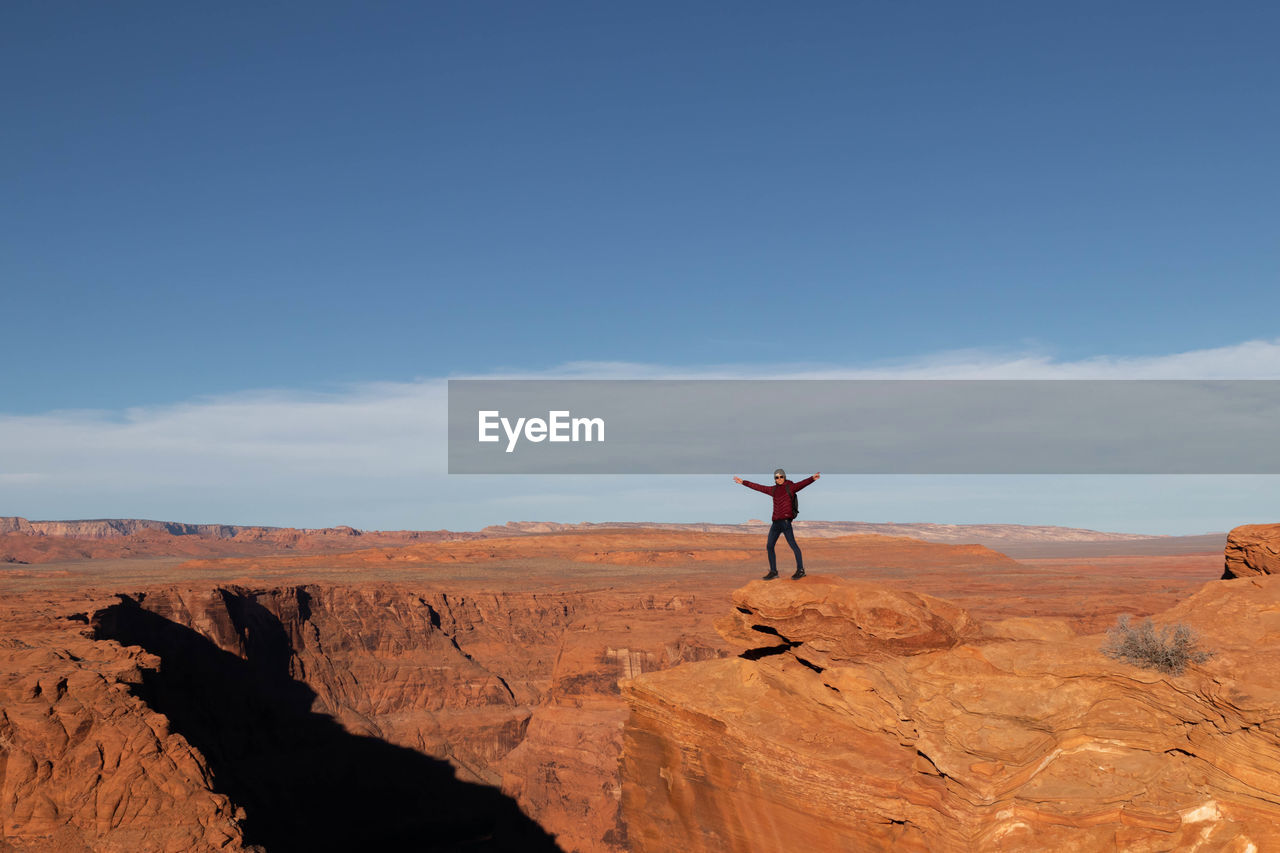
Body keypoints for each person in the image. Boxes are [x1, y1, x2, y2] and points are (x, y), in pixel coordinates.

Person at [733, 469, 820, 580]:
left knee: (793, 545)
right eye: (776, 477)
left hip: (785, 522)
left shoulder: (790, 487)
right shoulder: (773, 490)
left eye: (781, 476)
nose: (779, 479)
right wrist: (743, 482)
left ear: (784, 477)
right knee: (769, 546)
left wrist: (812, 478)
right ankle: (774, 572)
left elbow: (802, 483)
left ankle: (801, 570)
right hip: (776, 523)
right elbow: (759, 487)